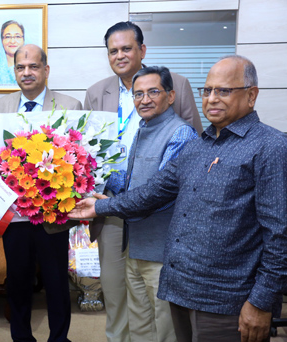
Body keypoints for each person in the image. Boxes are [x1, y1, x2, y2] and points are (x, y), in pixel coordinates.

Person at [70, 55, 287, 342]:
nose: (211, 99)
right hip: (181, 288)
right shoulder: (198, 147)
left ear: (251, 95)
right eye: (207, 90)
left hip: (228, 299)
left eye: (223, 90)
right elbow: (151, 194)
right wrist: (99, 205)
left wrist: (260, 302)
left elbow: (279, 235)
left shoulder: (270, 147)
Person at [83, 21, 202, 342]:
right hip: (110, 209)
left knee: (161, 307)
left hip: (160, 219)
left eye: (127, 48)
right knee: (120, 294)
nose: (120, 55)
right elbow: (87, 152)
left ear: (142, 50)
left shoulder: (175, 85)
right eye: (113, 50)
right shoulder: (96, 93)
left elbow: (189, 157)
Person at [0, 44, 82, 342]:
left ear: (46, 70)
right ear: (14, 71)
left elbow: (80, 160)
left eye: (33, 66)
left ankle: (59, 338)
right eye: (20, 67)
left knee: (56, 282)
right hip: (15, 214)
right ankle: (21, 337)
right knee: (17, 280)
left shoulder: (70, 104)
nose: (26, 72)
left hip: (54, 214)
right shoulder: (0, 107)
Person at [105, 66, 197, 341]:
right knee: (140, 324)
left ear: (170, 96)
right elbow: (132, 182)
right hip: (135, 246)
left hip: (162, 252)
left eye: (153, 92)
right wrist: (92, 174)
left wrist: (102, 206)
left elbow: (157, 194)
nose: (144, 100)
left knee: (165, 327)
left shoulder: (180, 134)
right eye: (138, 94)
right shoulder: (143, 129)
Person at [0, 20, 25, 86]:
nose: (12, 41)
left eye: (17, 36)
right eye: (8, 37)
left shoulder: (31, 67)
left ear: (24, 40)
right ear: (2, 40)